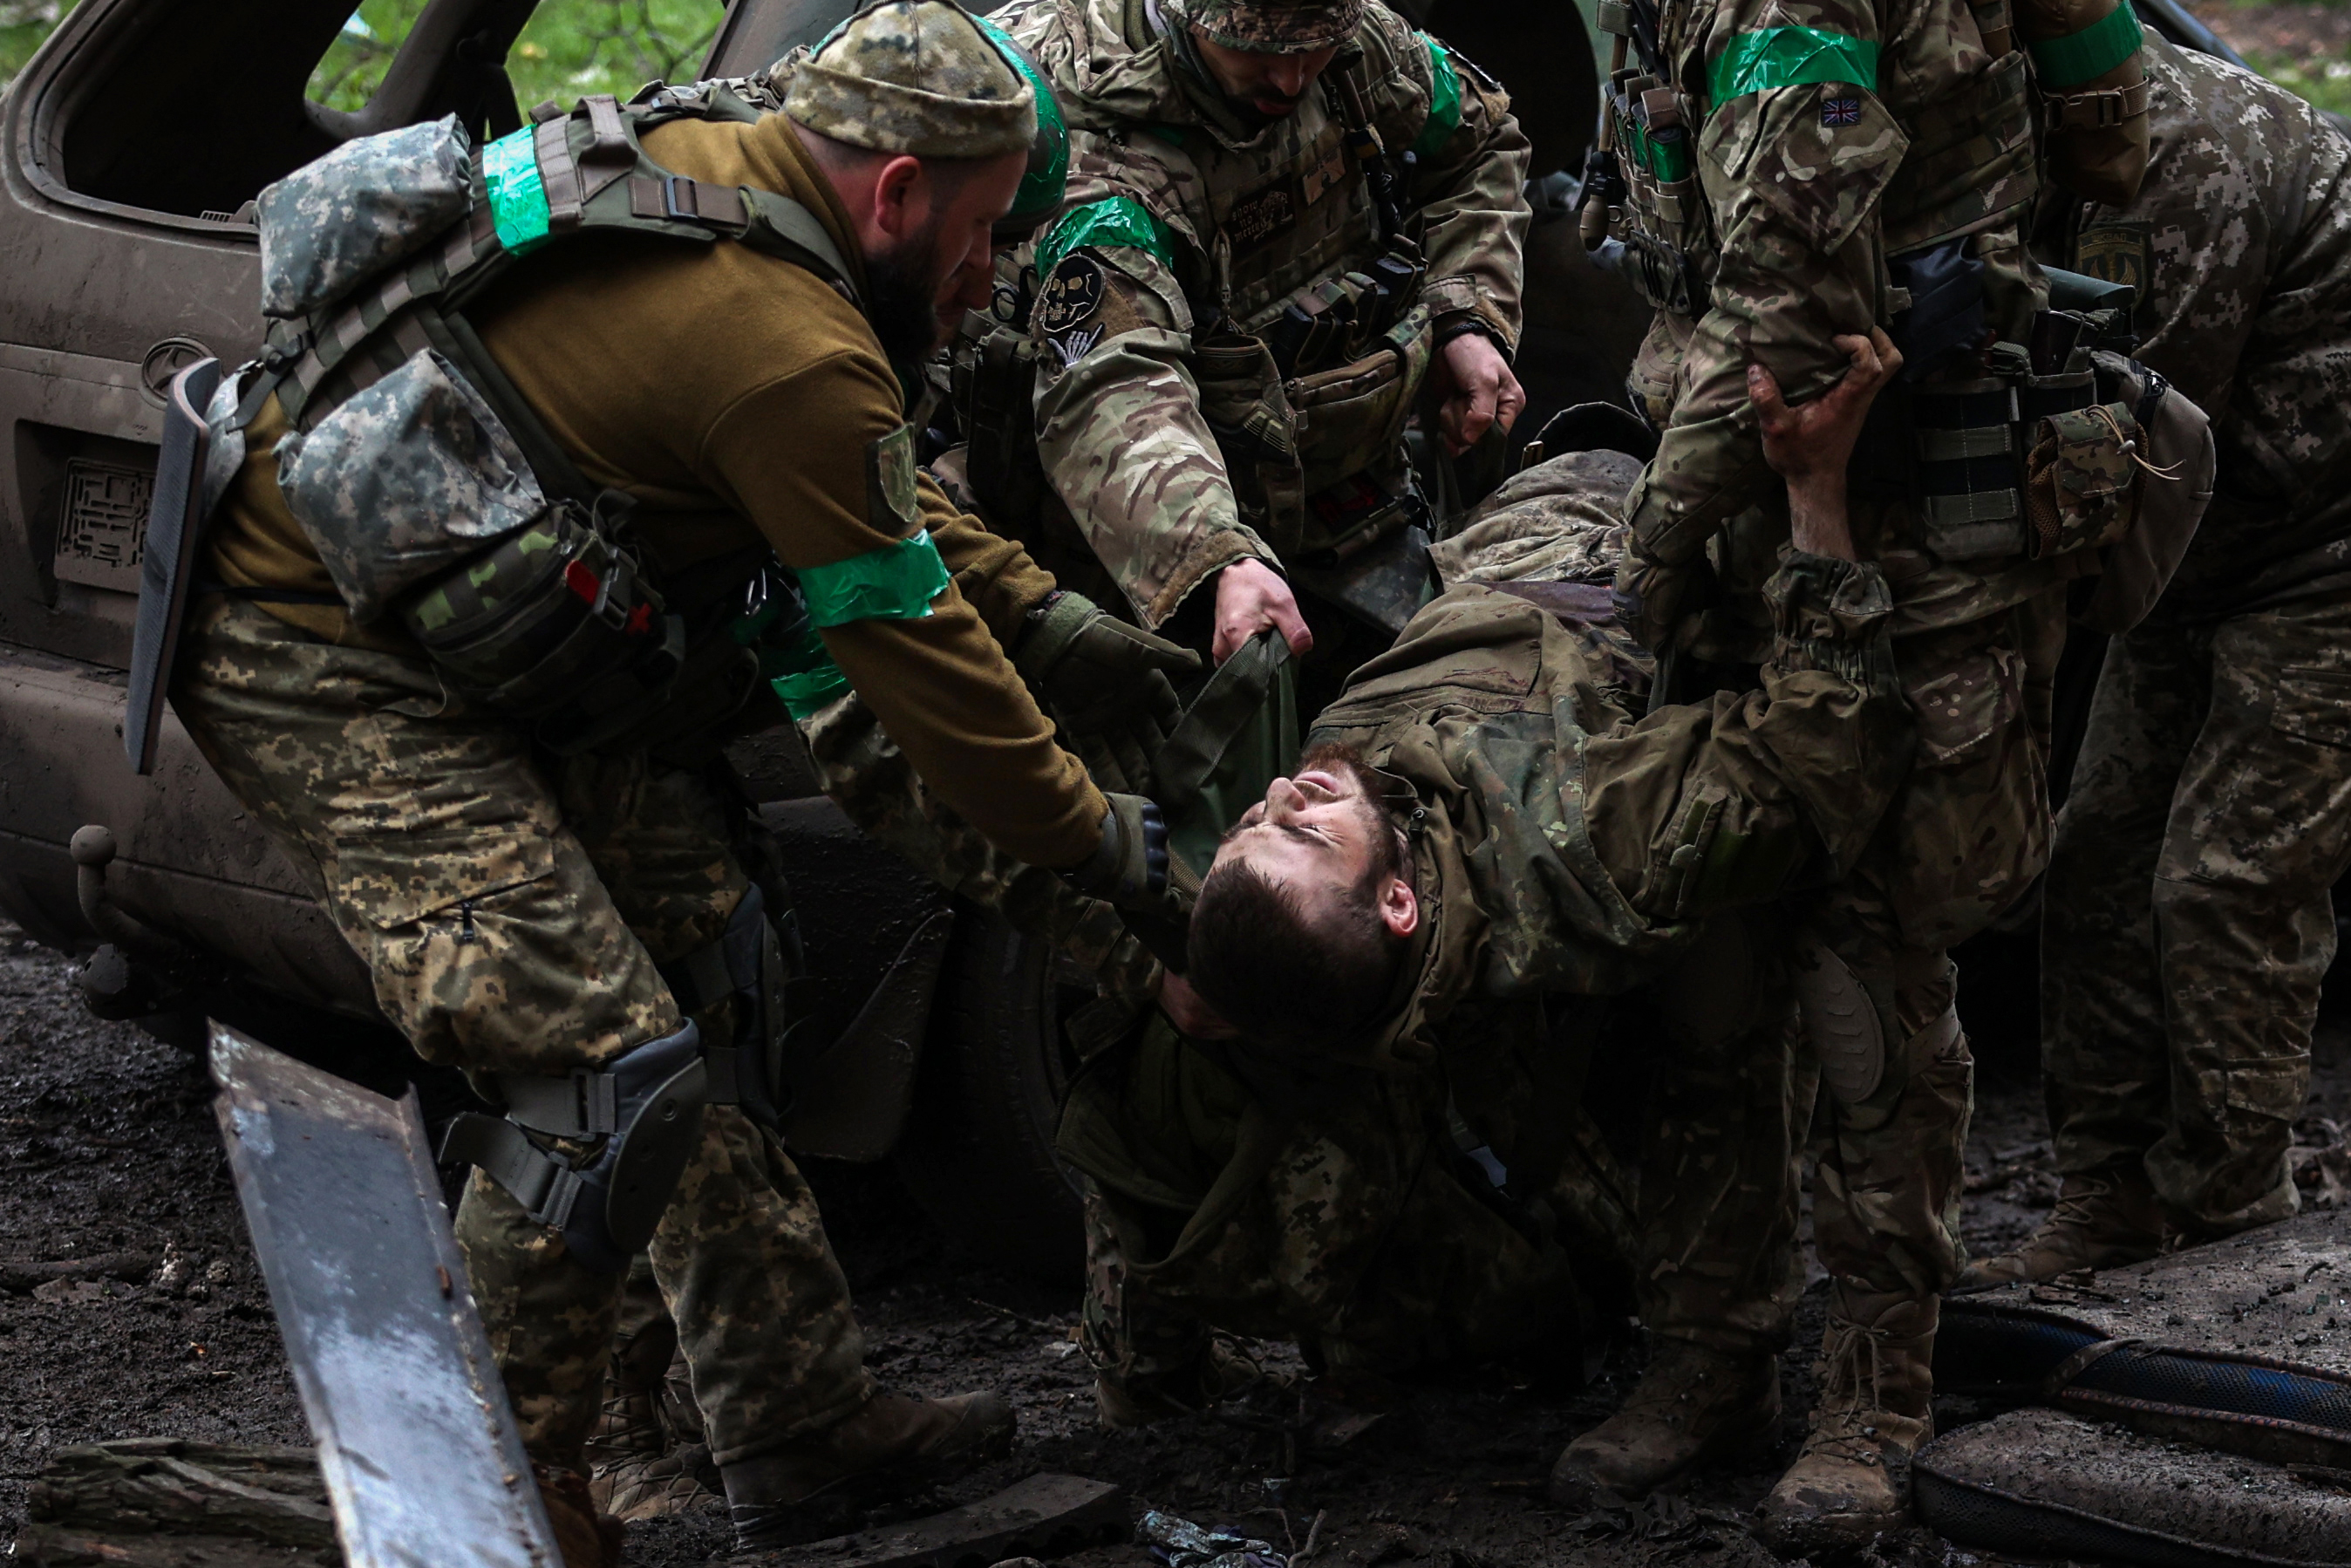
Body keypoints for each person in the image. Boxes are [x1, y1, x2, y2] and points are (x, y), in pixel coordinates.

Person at [168, 4, 1183, 1558]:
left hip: (456, 594)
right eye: (982, 237)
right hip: (316, 648)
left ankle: (795, 1418)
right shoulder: (785, 340)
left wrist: (1052, 617)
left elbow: (867, 507)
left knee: (715, 970)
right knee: (591, 1071)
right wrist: (1103, 846)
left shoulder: (731, 160)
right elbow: (907, 646)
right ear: (898, 190)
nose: (985, 282)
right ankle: (487, 1500)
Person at [1080, 333, 1907, 1484]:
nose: (1284, 789)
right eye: (1307, 826)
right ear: (1402, 898)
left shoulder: (1279, 909)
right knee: (1731, 959)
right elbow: (1829, 747)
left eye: (1261, 821)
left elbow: (1089, 855)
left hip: (1512, 514)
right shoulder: (1578, 837)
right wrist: (1816, 490)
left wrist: (1176, 973)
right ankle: (1716, 1360)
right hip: (1636, 524)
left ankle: (1163, 1369)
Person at [1589, 0, 2156, 1535]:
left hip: (1904, 521)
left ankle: (1873, 1383)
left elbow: (1790, 297)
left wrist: (1629, 571)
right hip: (1741, 492)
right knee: (1707, 935)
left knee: (1869, 965)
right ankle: (1709, 1350)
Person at [1960, 40, 2351, 1287]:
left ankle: (2234, 1224)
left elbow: (2115, 449)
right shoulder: (1992, 147)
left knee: (2226, 876)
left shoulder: (2179, 161)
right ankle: (2111, 1194)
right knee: (2099, 859)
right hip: (2197, 543)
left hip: (2326, 540)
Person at [955, 0, 1531, 692]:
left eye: (1310, 50)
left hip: (1344, 496)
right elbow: (1115, 381)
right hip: (1153, 545)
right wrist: (1215, 556)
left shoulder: (1360, 47)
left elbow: (1482, 140)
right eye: (1257, 50)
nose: (1290, 82)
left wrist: (1467, 313)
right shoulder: (1101, 158)